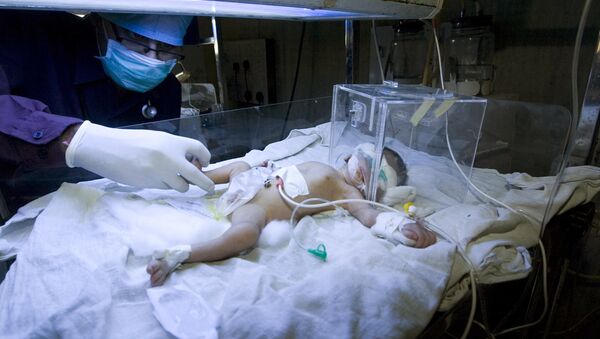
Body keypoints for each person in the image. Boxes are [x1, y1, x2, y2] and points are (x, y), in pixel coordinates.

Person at [0, 10, 213, 213]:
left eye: (166, 46)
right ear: (100, 23)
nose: (151, 59)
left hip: (125, 210)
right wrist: (74, 140)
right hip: (31, 204)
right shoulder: (31, 36)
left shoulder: (165, 88)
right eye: (134, 36)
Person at [146, 147, 437, 287]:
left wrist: (397, 225)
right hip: (252, 182)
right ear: (352, 155)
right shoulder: (328, 165)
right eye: (369, 158)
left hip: (255, 210)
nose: (367, 168)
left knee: (246, 235)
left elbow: (368, 216)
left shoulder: (347, 192)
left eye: (378, 173)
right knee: (240, 164)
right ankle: (193, 175)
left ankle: (182, 255)